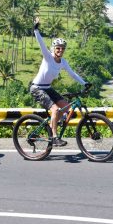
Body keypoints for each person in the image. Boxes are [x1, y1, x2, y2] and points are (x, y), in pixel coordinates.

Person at [30, 17, 90, 146]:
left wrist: (84, 83)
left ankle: (55, 121)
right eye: (58, 48)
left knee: (67, 107)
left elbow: (72, 74)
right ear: (53, 49)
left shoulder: (63, 62)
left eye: (62, 48)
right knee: (56, 110)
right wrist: (36, 29)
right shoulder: (48, 57)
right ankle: (55, 137)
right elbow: (41, 43)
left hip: (47, 87)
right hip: (37, 88)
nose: (60, 50)